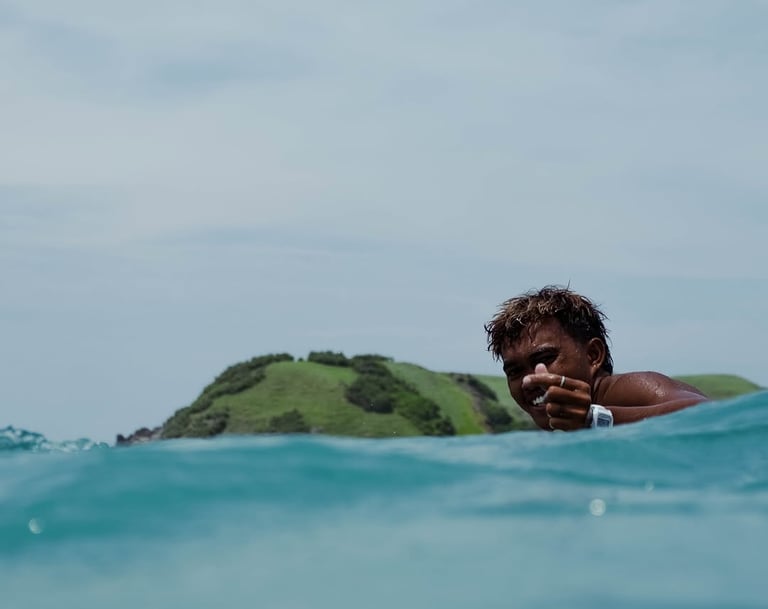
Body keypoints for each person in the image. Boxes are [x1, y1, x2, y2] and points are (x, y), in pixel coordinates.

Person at [485, 285, 708, 431]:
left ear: (593, 355)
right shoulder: (568, 427)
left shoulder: (626, 390)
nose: (527, 380)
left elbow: (705, 413)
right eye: (514, 371)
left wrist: (595, 418)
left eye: (544, 358)